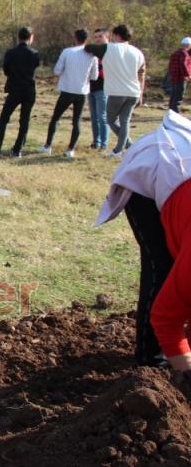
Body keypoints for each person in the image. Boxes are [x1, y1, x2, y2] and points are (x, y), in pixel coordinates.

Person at [95, 110, 191, 371]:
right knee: (162, 267)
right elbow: (165, 317)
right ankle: (150, 360)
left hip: (181, 168)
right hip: (152, 169)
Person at [85, 24, 145, 158]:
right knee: (125, 121)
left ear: (117, 36)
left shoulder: (108, 48)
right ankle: (128, 145)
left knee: (111, 120)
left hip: (117, 92)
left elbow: (89, 48)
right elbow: (141, 75)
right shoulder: (138, 52)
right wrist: (141, 94)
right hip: (133, 92)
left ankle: (120, 149)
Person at [36, 29, 99, 159]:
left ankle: (48, 146)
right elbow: (94, 76)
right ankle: (71, 149)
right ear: (86, 39)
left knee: (56, 118)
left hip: (67, 90)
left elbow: (57, 71)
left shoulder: (67, 52)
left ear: (75, 38)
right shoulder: (92, 55)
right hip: (82, 91)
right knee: (76, 120)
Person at [0, 27, 40, 158]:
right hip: (29, 90)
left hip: (14, 89)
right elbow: (35, 67)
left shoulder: (10, 53)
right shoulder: (35, 53)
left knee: (4, 119)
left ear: (18, 37)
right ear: (30, 37)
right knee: (24, 121)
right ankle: (17, 150)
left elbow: (6, 71)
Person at [87, 28, 109, 150]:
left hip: (104, 87)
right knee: (94, 117)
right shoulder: (92, 51)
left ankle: (104, 144)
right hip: (91, 87)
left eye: (100, 36)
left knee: (102, 116)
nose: (97, 39)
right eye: (95, 37)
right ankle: (96, 142)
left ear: (107, 37)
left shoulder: (110, 50)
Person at [167, 37, 191, 113]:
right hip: (181, 78)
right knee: (179, 96)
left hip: (174, 77)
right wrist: (187, 75)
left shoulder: (175, 53)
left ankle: (171, 111)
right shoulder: (184, 54)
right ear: (188, 45)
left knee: (173, 95)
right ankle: (176, 112)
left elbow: (170, 65)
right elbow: (184, 65)